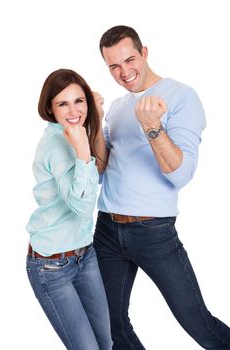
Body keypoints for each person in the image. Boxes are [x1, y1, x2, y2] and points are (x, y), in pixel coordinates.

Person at [93, 25, 230, 349]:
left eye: (129, 60)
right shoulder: (117, 106)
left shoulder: (182, 96)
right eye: (114, 66)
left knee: (199, 325)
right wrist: (97, 122)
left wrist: (152, 127)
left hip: (152, 231)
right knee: (110, 324)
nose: (124, 72)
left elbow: (180, 174)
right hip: (108, 229)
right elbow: (100, 169)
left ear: (144, 53)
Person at [26, 68, 112, 350]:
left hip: (85, 256)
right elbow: (82, 207)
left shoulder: (75, 135)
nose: (74, 110)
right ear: (50, 109)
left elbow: (97, 168)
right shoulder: (58, 145)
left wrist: (95, 117)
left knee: (106, 343)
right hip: (51, 266)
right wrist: (82, 150)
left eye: (79, 101)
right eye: (63, 103)